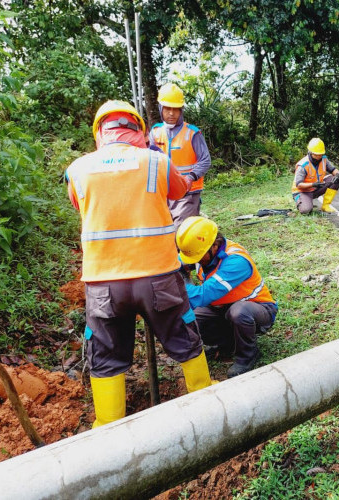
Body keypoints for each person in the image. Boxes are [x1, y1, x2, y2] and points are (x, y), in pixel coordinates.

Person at [65, 100, 214, 428]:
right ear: (140, 130)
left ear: (99, 132)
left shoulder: (77, 169)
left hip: (104, 282)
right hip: (157, 276)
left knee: (104, 353)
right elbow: (179, 190)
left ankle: (107, 423)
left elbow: (79, 202)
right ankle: (204, 400)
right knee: (183, 334)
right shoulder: (155, 162)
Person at [175, 216, 278, 378]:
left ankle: (247, 355)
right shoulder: (200, 249)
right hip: (221, 307)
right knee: (192, 319)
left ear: (215, 246)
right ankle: (228, 343)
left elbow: (201, 297)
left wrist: (176, 286)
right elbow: (178, 262)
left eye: (197, 258)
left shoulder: (235, 262)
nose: (195, 262)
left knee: (238, 312)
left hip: (256, 308)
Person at [149, 82, 211, 228]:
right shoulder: (155, 133)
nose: (171, 113)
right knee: (163, 231)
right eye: (167, 109)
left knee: (181, 231)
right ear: (160, 109)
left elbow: (205, 160)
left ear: (181, 110)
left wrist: (190, 177)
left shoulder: (192, 133)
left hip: (187, 194)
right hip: (163, 193)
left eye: (176, 109)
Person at [291, 137, 339, 214]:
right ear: (310, 152)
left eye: (321, 154)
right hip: (302, 191)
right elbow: (299, 185)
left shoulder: (324, 159)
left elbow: (333, 170)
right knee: (306, 210)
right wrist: (313, 184)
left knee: (335, 180)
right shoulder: (303, 165)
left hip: (316, 188)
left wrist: (337, 175)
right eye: (317, 154)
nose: (319, 157)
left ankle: (326, 205)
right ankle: (302, 202)